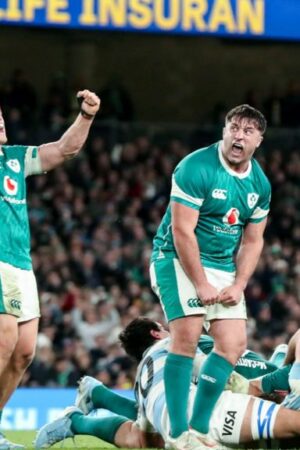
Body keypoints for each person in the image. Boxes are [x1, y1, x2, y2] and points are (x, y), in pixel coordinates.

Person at [149, 104, 271, 449]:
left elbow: (253, 240)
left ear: (259, 141)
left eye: (248, 131)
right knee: (186, 334)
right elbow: (181, 231)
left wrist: (239, 283)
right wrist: (201, 283)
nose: (239, 135)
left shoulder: (259, 184)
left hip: (221, 265)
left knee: (233, 345)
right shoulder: (195, 167)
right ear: (224, 130)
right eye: (234, 127)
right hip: (174, 256)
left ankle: (199, 432)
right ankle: (177, 434)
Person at [0, 89, 100, 449]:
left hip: (21, 265)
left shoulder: (13, 159)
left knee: (24, 351)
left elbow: (62, 150)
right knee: (5, 336)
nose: (0, 119)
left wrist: (85, 117)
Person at [34, 318, 300, 449]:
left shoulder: (142, 380)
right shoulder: (174, 344)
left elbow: (135, 437)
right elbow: (213, 371)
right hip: (215, 414)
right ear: (156, 332)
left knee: (142, 437)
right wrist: (259, 385)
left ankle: (81, 413)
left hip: (179, 434)